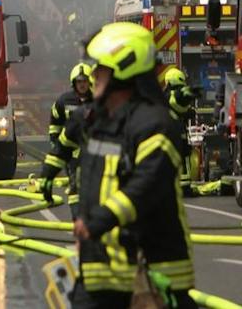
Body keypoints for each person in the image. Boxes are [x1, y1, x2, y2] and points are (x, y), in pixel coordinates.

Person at [71, 22, 194, 308]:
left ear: (124, 66)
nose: (93, 74)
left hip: (154, 276)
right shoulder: (100, 123)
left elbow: (148, 184)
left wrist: (97, 221)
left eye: (100, 67)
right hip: (100, 274)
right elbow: (93, 181)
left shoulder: (155, 124)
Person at [42, 61, 94, 204]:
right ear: (74, 83)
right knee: (75, 187)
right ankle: (78, 218)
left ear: (90, 82)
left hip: (94, 152)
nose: (82, 84)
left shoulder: (99, 100)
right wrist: (55, 142)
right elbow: (55, 121)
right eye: (79, 81)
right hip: (71, 152)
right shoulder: (64, 101)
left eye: (85, 81)